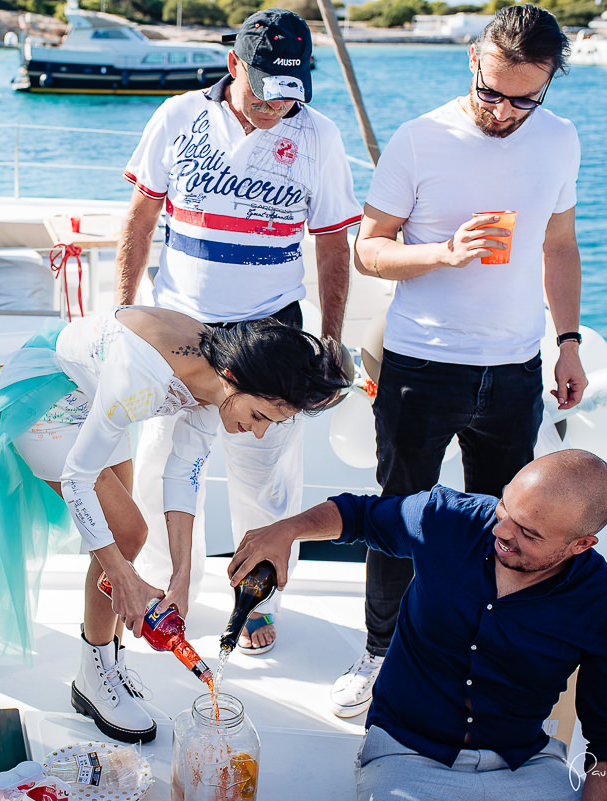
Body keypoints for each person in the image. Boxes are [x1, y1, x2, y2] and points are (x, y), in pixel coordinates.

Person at [340, 4, 589, 716]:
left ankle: (482, 651)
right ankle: (381, 651)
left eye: (524, 99)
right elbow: (369, 247)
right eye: (492, 92)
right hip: (421, 366)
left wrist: (567, 341)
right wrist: (443, 253)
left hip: (514, 370)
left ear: (547, 86)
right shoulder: (420, 140)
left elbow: (559, 246)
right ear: (472, 62)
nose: (506, 110)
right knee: (400, 518)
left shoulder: (560, 140)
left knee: (510, 529)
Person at [0, 306, 348, 742]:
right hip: (44, 394)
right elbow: (77, 481)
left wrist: (180, 576)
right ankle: (93, 679)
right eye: (260, 416)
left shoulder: (218, 382)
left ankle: (103, 667)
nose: (257, 433)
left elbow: (183, 474)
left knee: (125, 541)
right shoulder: (141, 379)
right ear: (235, 379)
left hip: (94, 394)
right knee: (127, 535)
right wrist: (120, 574)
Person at [116, 8, 360, 655]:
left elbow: (334, 245)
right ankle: (163, 590)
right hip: (178, 334)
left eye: (291, 94)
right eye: (263, 91)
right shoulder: (176, 118)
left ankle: (254, 596)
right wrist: (120, 313)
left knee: (263, 478)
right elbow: (139, 222)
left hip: (270, 334)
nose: (277, 107)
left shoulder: (320, 137)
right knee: (162, 468)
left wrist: (331, 345)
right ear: (234, 67)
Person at [230, 449, 607, 801]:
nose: (500, 530)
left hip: (525, 765)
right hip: (405, 754)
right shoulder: (449, 519)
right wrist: (286, 530)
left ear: (581, 544)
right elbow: (360, 515)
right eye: (506, 507)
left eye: (528, 532)